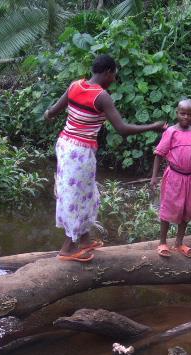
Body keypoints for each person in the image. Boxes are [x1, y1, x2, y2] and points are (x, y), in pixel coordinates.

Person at [44, 54, 165, 262]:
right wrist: (154, 126)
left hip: (65, 145)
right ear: (108, 71)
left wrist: (46, 114)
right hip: (79, 151)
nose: (114, 79)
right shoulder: (101, 96)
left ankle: (84, 240)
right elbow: (122, 129)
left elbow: (54, 111)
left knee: (85, 193)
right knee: (76, 198)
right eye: (114, 74)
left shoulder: (75, 86)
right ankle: (67, 249)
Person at [150, 99, 191, 258]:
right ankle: (162, 242)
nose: (186, 117)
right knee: (169, 208)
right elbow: (159, 154)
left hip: (190, 178)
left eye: (189, 114)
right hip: (174, 177)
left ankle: (179, 242)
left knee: (186, 210)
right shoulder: (171, 132)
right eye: (182, 113)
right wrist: (154, 177)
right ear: (177, 113)